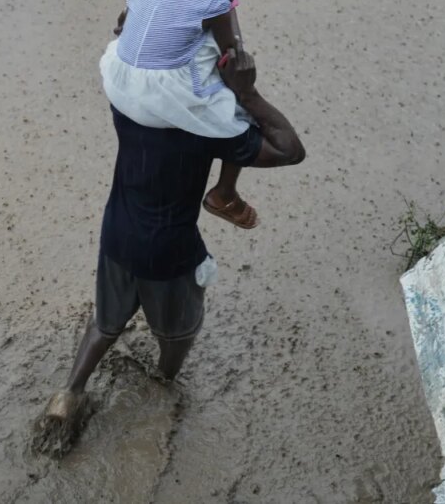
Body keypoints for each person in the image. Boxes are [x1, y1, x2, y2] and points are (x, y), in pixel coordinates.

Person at [39, 22, 305, 433]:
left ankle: (68, 393)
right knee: (177, 333)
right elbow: (289, 149)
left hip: (117, 234)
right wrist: (246, 92)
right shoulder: (208, 129)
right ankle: (161, 385)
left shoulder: (125, 104)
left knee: (105, 323)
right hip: (171, 252)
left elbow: (130, 46)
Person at [101, 0, 272, 229]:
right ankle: (225, 193)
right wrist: (242, 86)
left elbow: (121, 23)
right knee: (239, 99)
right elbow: (234, 57)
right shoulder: (216, 2)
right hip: (162, 98)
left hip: (119, 79)